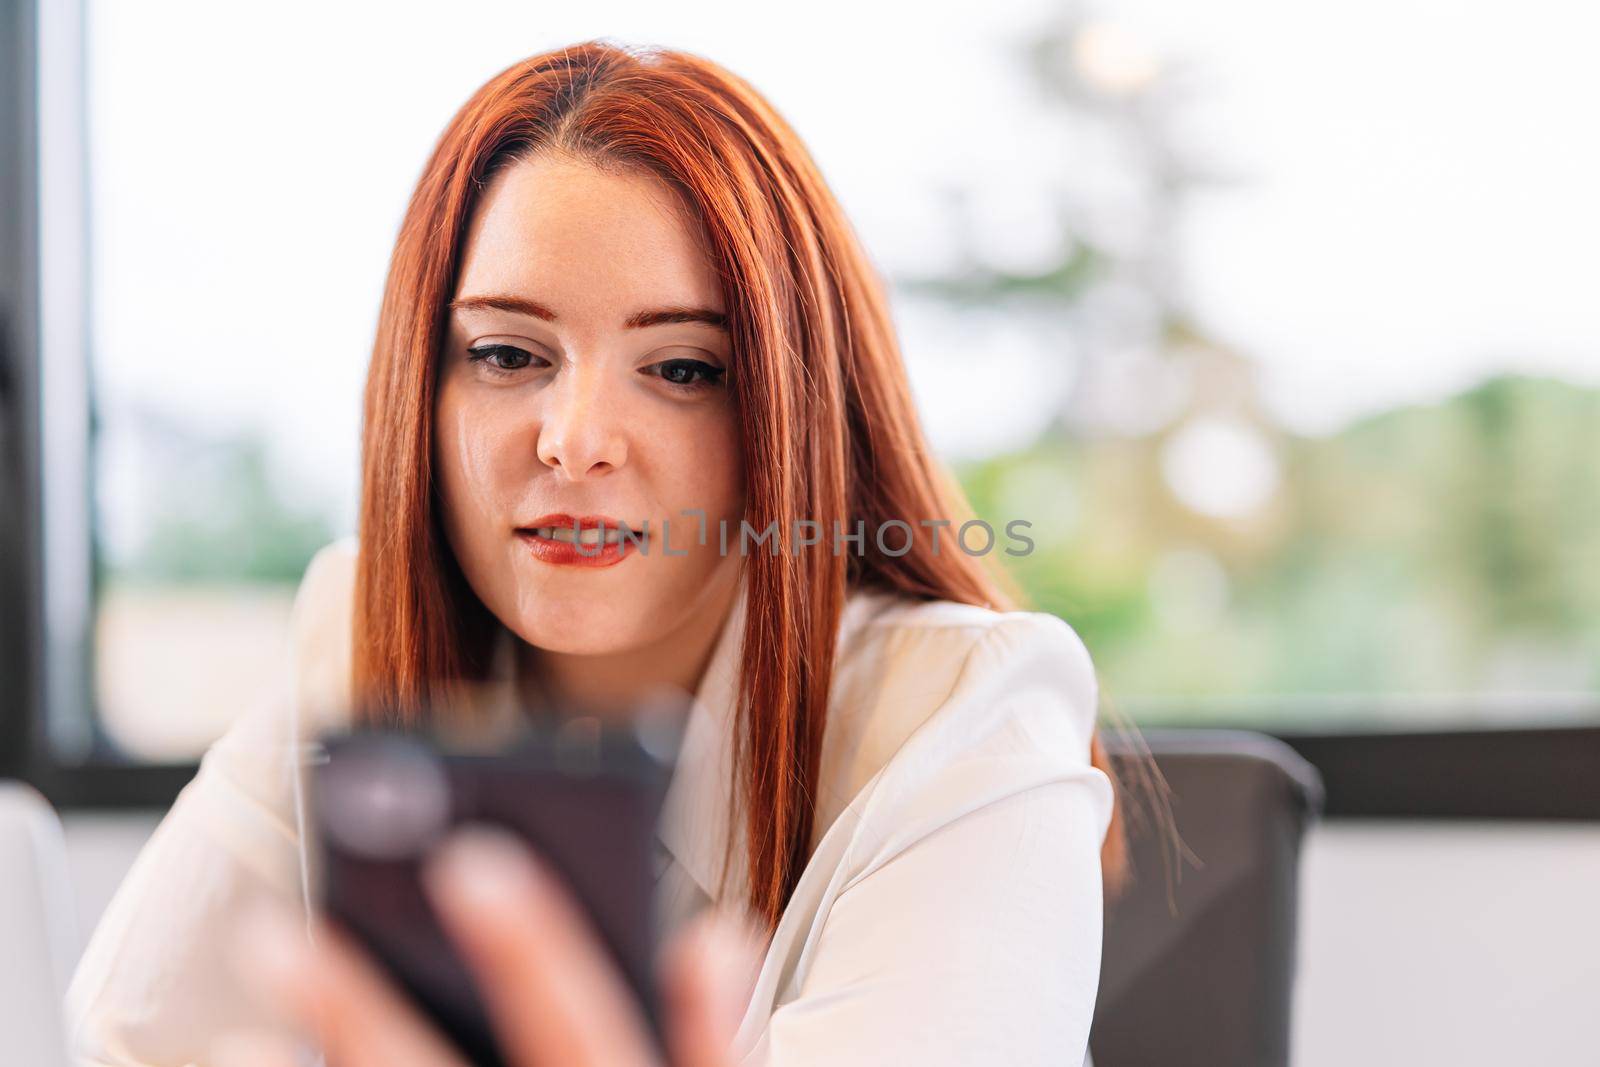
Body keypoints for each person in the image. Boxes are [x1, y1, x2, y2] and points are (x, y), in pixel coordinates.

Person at [64, 39, 1129, 1067]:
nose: (573, 439)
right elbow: (129, 1039)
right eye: (507, 353)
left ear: (792, 416)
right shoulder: (356, 633)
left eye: (680, 369)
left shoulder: (968, 709)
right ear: (418, 396)